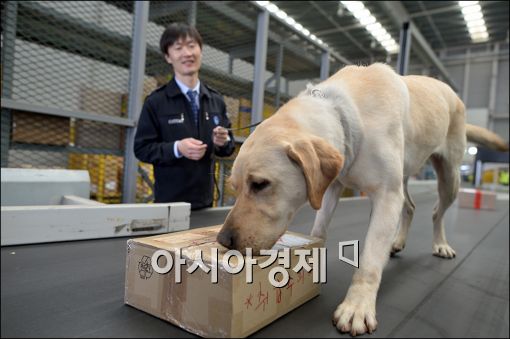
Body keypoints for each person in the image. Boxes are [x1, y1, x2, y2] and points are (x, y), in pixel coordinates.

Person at [134, 23, 235, 210]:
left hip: (205, 203)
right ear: (168, 57)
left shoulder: (215, 100)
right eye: (178, 48)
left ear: (200, 51)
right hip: (168, 205)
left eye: (191, 45)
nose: (187, 53)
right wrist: (177, 148)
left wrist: (223, 142)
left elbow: (227, 149)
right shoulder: (156, 102)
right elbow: (142, 149)